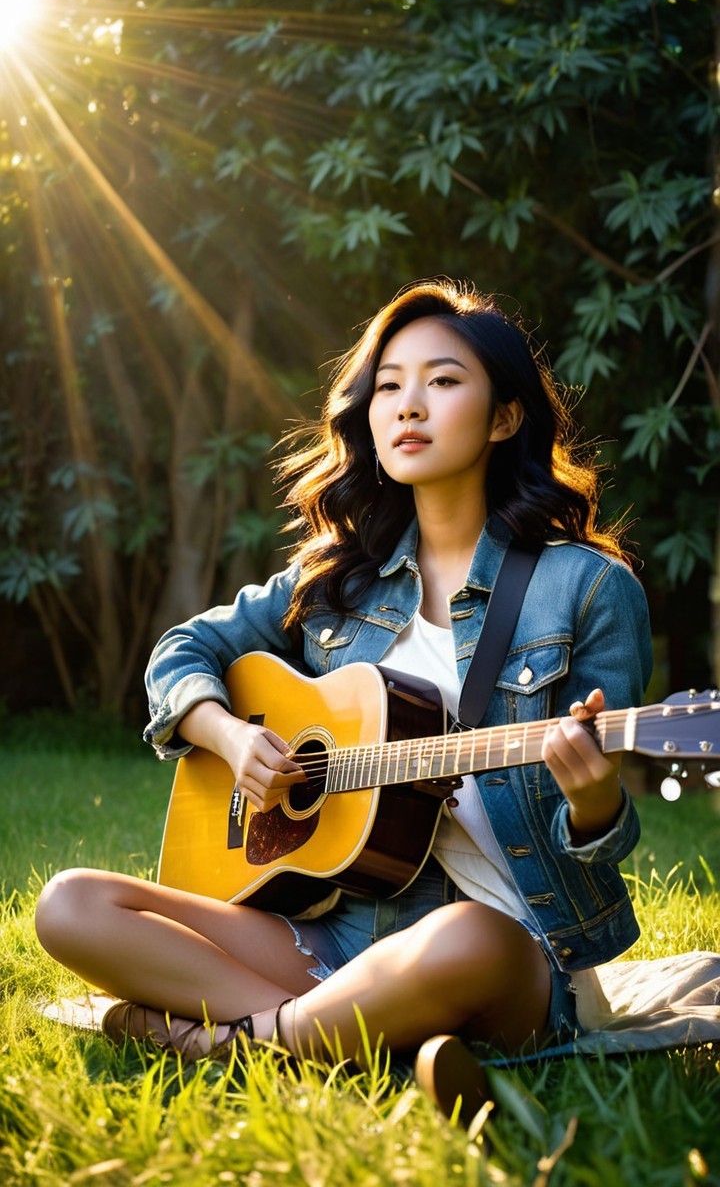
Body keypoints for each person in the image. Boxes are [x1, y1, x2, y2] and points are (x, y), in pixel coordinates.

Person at [35, 278, 652, 1124]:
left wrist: (592, 800)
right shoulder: (341, 577)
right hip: (341, 935)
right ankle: (342, 1037)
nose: (408, 405)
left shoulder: (587, 589)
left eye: (443, 381)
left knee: (464, 938)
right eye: (389, 385)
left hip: (509, 948)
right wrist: (228, 736)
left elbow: (600, 839)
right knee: (71, 904)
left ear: (504, 418)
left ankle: (235, 1042)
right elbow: (183, 651)